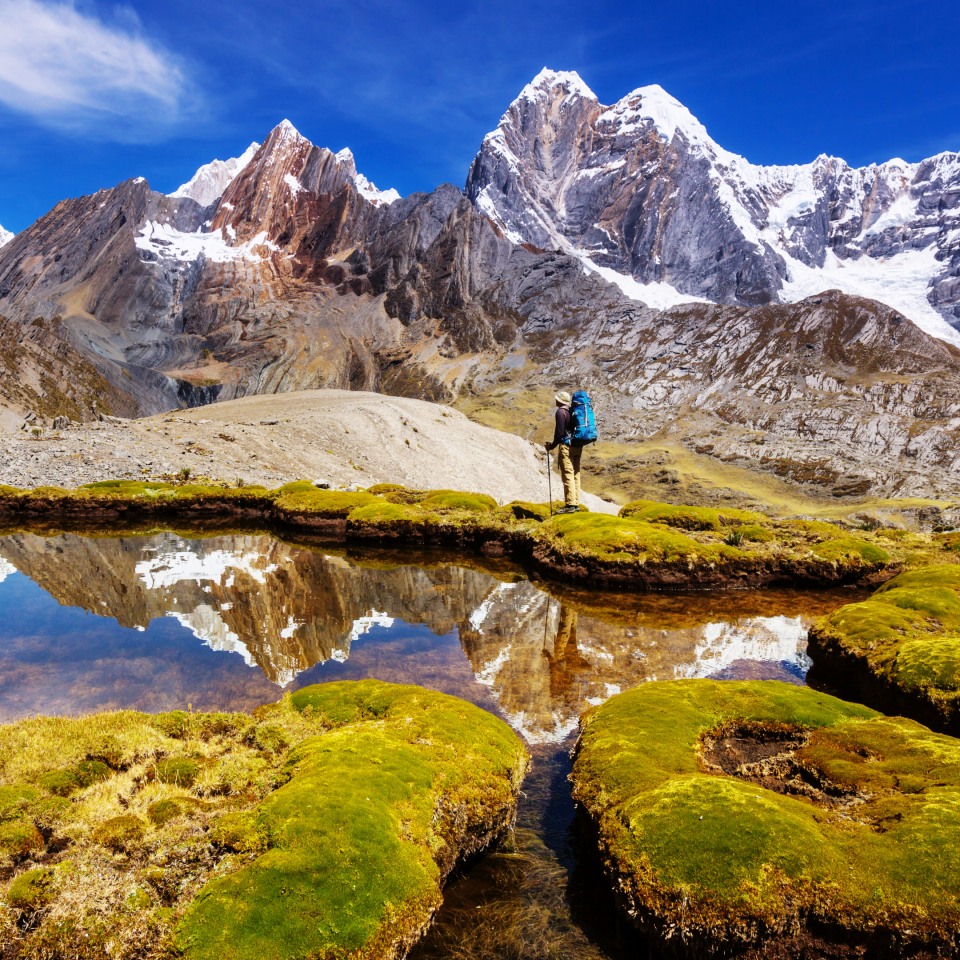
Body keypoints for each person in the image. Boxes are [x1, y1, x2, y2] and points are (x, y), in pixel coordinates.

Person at [545, 390, 583, 514]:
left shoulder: (561, 412)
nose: (555, 400)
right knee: (576, 473)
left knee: (568, 473)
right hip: (578, 446)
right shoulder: (573, 412)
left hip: (567, 446)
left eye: (557, 399)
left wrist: (552, 446)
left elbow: (559, 433)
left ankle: (570, 504)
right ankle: (575, 502)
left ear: (560, 400)